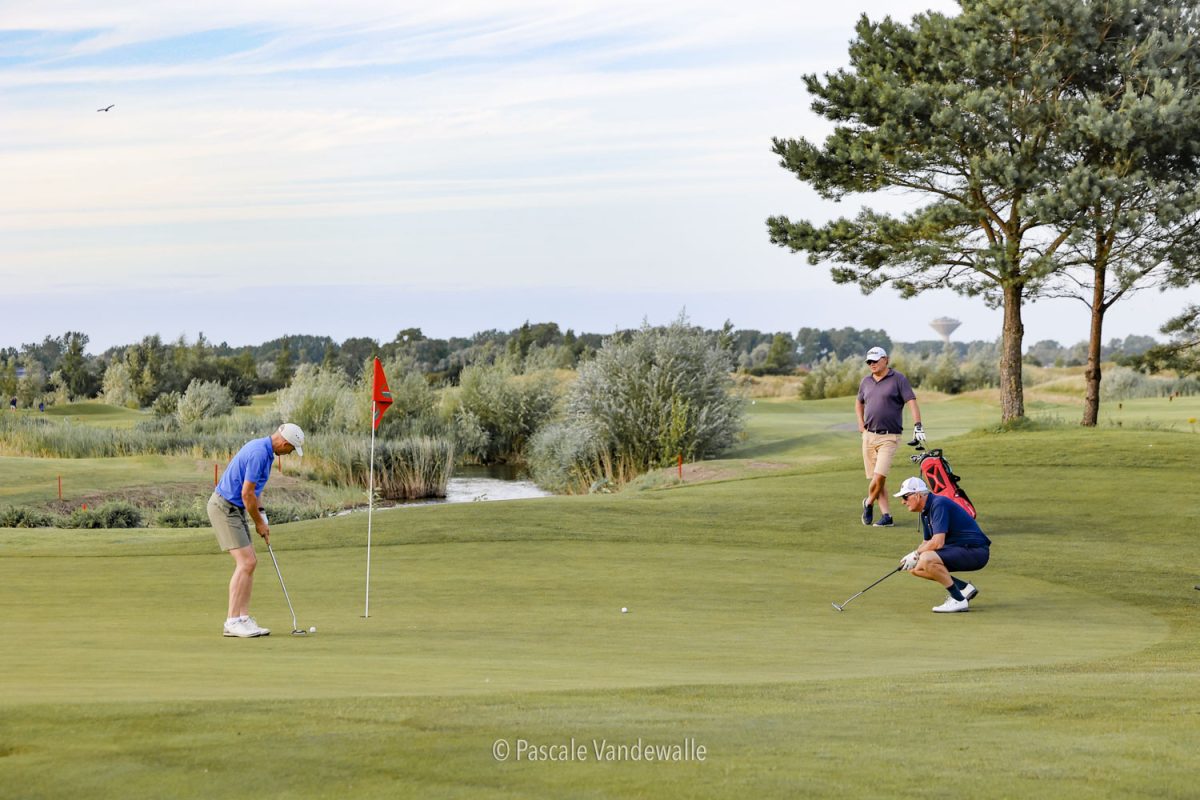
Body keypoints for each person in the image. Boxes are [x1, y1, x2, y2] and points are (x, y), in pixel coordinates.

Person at [206, 422, 305, 637]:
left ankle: (243, 619)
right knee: (246, 562)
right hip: (224, 508)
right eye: (290, 449)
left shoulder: (266, 452)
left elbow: (255, 492)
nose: (289, 454)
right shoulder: (260, 453)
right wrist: (258, 523)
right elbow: (246, 494)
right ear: (285, 443)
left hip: (235, 508)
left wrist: (263, 516)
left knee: (251, 562)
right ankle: (232, 622)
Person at [894, 476, 991, 612]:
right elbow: (927, 542)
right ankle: (963, 588)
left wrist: (916, 554)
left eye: (905, 497)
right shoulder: (925, 512)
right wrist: (913, 557)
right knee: (916, 568)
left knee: (926, 559)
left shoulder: (939, 504)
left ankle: (958, 600)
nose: (903, 502)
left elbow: (938, 542)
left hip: (975, 551)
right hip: (959, 549)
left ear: (917, 495)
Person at [855, 346, 923, 527]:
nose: (872, 364)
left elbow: (912, 402)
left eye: (875, 360)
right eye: (869, 361)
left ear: (886, 359)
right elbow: (859, 403)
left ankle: (868, 503)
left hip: (889, 437)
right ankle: (887, 517)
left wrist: (918, 425)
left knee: (879, 476)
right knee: (878, 480)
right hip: (869, 437)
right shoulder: (866, 381)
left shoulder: (898, 379)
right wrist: (861, 424)